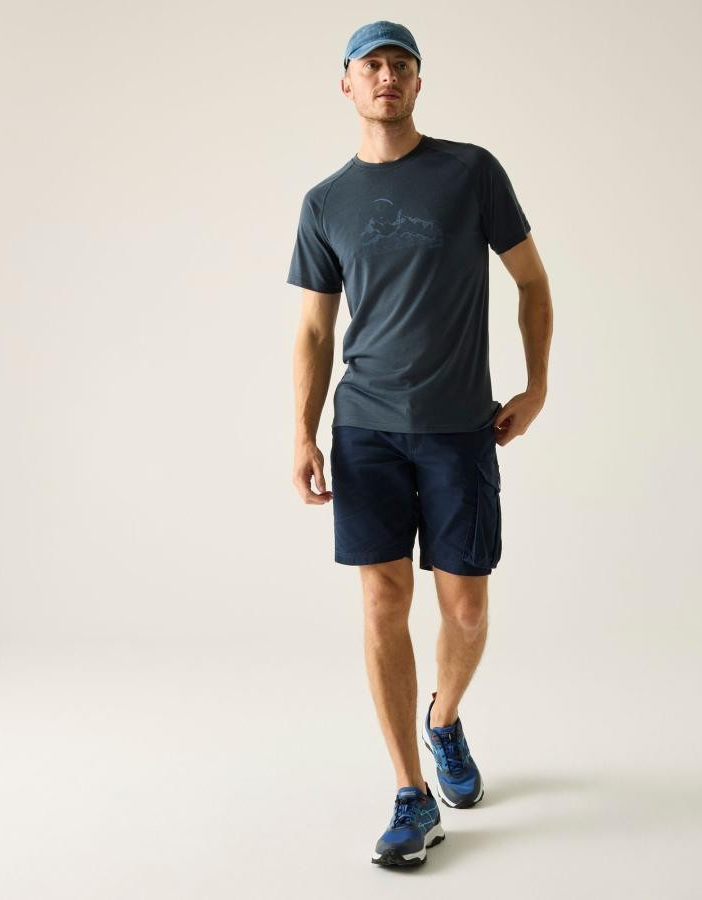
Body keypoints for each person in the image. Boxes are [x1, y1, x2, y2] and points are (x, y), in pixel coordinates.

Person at [287, 20, 553, 867]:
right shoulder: (325, 202)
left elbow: (532, 281)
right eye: (372, 64)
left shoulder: (470, 172)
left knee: (465, 608)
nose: (387, 75)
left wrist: (537, 387)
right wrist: (302, 432)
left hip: (459, 426)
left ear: (418, 82)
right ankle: (410, 793)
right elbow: (314, 332)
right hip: (365, 428)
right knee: (382, 602)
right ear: (347, 83)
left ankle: (443, 720)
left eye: (401, 63)